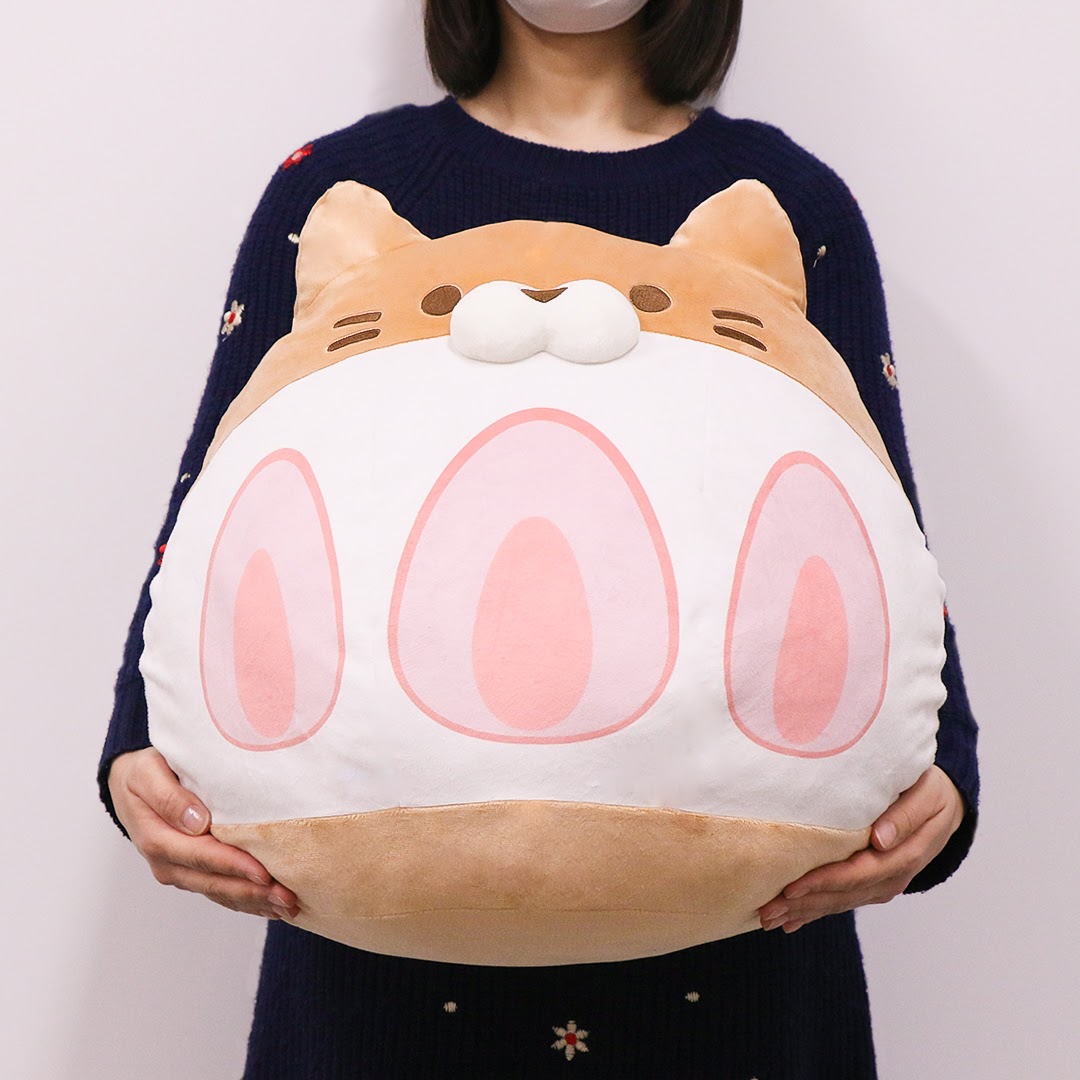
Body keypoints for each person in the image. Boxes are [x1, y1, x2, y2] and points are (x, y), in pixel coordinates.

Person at [98, 1, 980, 1076]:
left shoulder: (786, 200)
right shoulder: (339, 189)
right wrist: (136, 746)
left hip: (736, 971)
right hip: (384, 974)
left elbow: (873, 517)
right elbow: (224, 499)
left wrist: (946, 773)